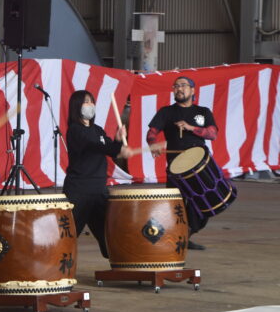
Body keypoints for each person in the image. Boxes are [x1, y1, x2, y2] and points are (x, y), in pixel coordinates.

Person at [146, 75, 224, 250]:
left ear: (192, 90)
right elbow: (152, 132)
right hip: (176, 167)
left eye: (183, 85)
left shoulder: (203, 112)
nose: (179, 89)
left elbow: (212, 134)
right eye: (176, 86)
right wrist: (152, 143)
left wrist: (191, 127)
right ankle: (171, 237)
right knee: (174, 206)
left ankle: (185, 236)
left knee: (204, 204)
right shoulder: (166, 112)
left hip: (200, 166)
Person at [63, 90, 138, 258]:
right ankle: (56, 265)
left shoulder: (97, 130)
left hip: (99, 188)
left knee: (109, 231)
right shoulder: (75, 130)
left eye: (92, 102)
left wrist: (118, 140)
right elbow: (94, 146)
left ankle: (117, 262)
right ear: (77, 106)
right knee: (68, 232)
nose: (90, 105)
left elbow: (110, 149)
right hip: (79, 190)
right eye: (86, 102)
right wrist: (118, 148)